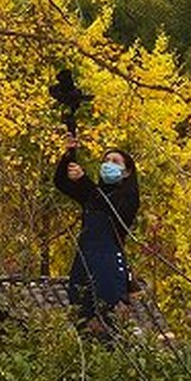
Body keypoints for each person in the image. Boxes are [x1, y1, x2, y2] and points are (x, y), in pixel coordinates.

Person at [54, 135, 139, 338]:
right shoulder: (93, 194)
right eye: (106, 160)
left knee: (107, 316)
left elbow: (109, 207)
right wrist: (68, 156)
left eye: (115, 162)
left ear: (127, 171)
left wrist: (84, 180)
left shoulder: (128, 198)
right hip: (84, 260)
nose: (108, 164)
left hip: (108, 264)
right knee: (80, 314)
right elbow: (62, 183)